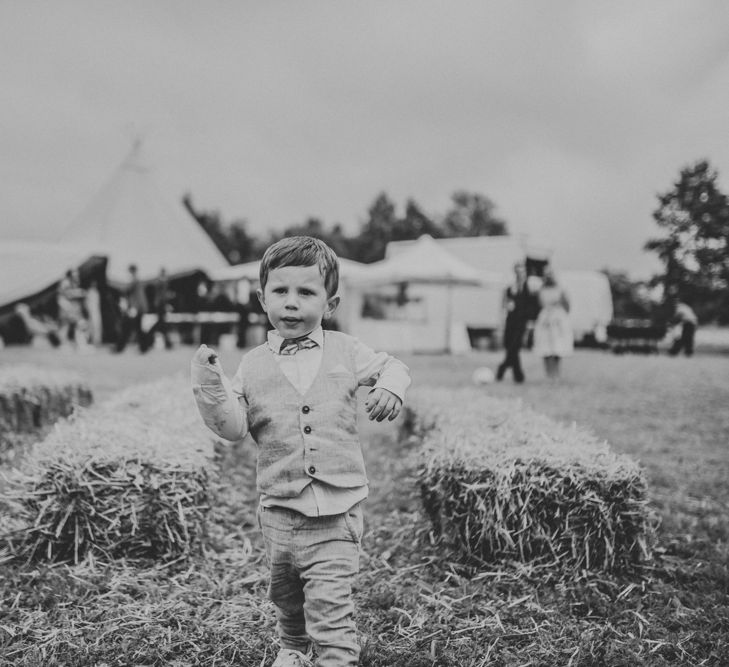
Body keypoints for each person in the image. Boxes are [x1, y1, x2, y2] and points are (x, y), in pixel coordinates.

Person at [190, 236, 411, 667]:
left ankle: (335, 656)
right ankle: (293, 646)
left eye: (306, 293)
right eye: (281, 291)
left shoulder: (346, 350)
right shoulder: (252, 364)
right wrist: (209, 386)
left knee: (329, 609)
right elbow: (233, 427)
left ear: (330, 303)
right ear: (261, 298)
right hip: (278, 509)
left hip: (336, 510)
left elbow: (394, 366)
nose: (292, 303)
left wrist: (389, 386)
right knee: (286, 595)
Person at [532, 266, 573, 379]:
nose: (548, 276)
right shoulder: (541, 290)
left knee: (557, 348)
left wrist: (559, 316)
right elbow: (540, 304)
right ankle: (548, 374)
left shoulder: (561, 289)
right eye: (546, 274)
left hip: (557, 319)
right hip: (545, 319)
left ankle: (556, 374)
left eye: (550, 273)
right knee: (545, 348)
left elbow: (567, 306)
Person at [496, 262, 531, 383]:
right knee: (510, 348)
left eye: (522, 271)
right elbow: (504, 304)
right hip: (510, 322)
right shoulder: (511, 288)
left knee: (514, 347)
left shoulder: (529, 288)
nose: (520, 274)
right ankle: (518, 376)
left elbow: (532, 306)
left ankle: (502, 368)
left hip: (521, 323)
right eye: (517, 271)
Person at [115, 264, 150, 353]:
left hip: (135, 309)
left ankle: (120, 348)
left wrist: (134, 308)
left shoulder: (135, 281)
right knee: (138, 329)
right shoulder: (137, 281)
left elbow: (128, 291)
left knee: (127, 328)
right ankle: (144, 348)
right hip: (139, 308)